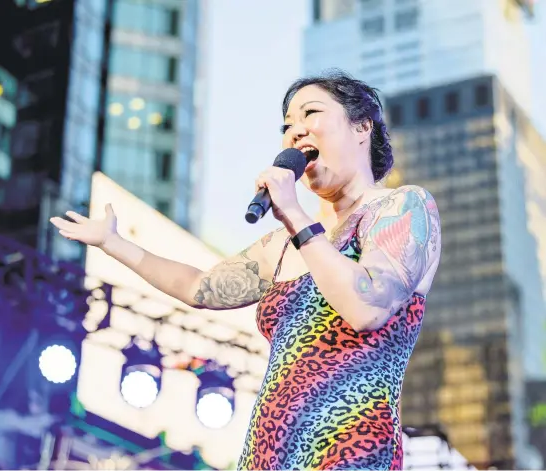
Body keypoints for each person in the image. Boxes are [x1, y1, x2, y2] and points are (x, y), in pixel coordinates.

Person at [50, 70, 441, 470]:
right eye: (287, 126)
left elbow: (367, 309)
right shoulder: (284, 244)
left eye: (311, 114)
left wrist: (292, 212)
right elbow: (198, 287)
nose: (295, 132)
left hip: (350, 451)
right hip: (266, 454)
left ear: (362, 127)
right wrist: (114, 243)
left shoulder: (402, 207)